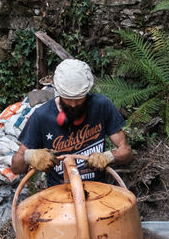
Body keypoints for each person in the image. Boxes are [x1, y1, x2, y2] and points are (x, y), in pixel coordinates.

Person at [11, 58, 132, 187]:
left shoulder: (101, 106)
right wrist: (29, 156)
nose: (74, 104)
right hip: (59, 192)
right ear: (58, 91)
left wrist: (109, 157)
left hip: (97, 189)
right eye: (68, 98)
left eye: (79, 99)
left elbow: (126, 152)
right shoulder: (41, 116)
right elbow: (16, 168)